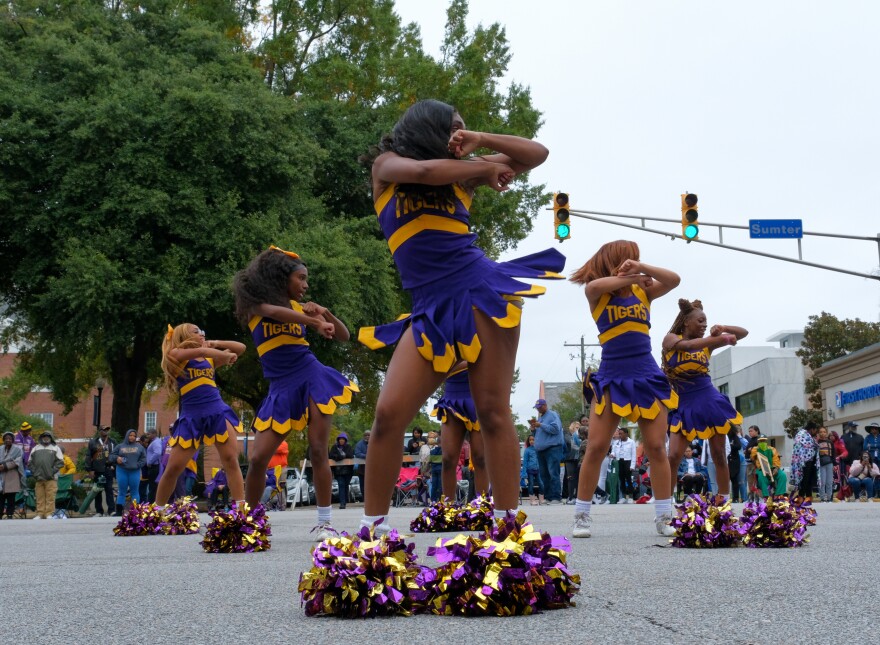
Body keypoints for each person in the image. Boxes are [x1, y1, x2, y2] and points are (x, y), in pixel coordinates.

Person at [357, 99, 564, 533]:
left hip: (480, 292)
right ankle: (370, 533)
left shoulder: (467, 172)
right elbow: (425, 173)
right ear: (428, 129)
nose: (460, 133)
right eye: (454, 126)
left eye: (464, 127)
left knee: (492, 410)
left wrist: (482, 143)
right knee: (388, 415)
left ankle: (509, 530)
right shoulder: (387, 166)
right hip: (428, 309)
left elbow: (537, 154)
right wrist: (483, 168)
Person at [233, 246, 358, 541]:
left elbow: (344, 335)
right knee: (259, 457)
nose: (305, 285)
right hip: (280, 387)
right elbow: (273, 311)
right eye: (301, 278)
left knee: (318, 449)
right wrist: (313, 321)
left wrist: (323, 312)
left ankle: (325, 522)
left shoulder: (302, 309)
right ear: (280, 278)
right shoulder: (254, 306)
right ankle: (249, 521)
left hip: (311, 376)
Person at [569, 240, 680, 538]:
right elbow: (595, 286)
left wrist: (642, 269)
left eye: (637, 258)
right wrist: (632, 275)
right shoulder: (596, 291)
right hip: (611, 377)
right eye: (630, 257)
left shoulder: (643, 291)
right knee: (596, 447)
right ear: (615, 259)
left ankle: (664, 516)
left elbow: (674, 280)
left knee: (657, 446)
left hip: (646, 376)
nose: (634, 262)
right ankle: (581, 515)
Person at [662, 298, 747, 503]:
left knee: (718, 454)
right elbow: (689, 346)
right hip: (683, 403)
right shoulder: (671, 338)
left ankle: (723, 499)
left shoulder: (706, 345)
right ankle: (667, 501)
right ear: (686, 322)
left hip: (708, 399)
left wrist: (724, 328)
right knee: (673, 456)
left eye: (706, 323)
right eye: (700, 321)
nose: (704, 326)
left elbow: (743, 333)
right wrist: (718, 339)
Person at [154, 323, 246, 513]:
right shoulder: (176, 356)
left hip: (218, 412)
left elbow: (241, 348)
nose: (202, 334)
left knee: (230, 459)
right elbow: (182, 353)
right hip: (191, 418)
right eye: (197, 332)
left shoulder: (208, 358)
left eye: (203, 332)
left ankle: (241, 509)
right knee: (173, 467)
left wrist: (216, 343)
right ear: (184, 336)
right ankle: (157, 510)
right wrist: (221, 354)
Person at [434, 364, 487, 501]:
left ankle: (483, 507)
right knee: (448, 458)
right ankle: (447, 509)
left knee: (480, 458)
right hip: (452, 396)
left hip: (479, 393)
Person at [529, 399, 564, 504]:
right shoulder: (541, 418)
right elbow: (540, 435)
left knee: (553, 473)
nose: (538, 409)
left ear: (545, 405)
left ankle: (556, 497)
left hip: (552, 449)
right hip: (541, 450)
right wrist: (534, 429)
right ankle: (548, 497)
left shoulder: (552, 415)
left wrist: (541, 425)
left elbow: (556, 429)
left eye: (540, 407)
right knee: (544, 475)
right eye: (537, 407)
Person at [109, 430, 146, 513]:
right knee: (122, 491)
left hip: (135, 471)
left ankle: (136, 511)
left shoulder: (140, 447)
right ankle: (119, 511)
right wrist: (116, 458)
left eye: (134, 435)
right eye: (130, 435)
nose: (132, 437)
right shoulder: (120, 446)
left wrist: (138, 465)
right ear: (127, 436)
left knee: (135, 491)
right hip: (122, 471)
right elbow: (111, 456)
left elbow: (144, 458)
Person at [29, 430, 63, 520]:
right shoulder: (36, 448)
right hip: (39, 478)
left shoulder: (55, 448)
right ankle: (40, 514)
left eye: (48, 436)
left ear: (51, 438)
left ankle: (49, 514)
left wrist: (52, 471)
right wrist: (34, 472)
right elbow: (29, 462)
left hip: (51, 478)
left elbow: (60, 462)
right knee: (39, 497)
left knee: (50, 496)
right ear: (41, 438)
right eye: (44, 436)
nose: (46, 438)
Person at [86, 426, 116, 517]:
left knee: (109, 490)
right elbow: (88, 456)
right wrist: (90, 470)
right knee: (97, 491)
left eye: (107, 429)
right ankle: (99, 511)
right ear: (99, 431)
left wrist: (114, 466)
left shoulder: (112, 442)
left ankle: (111, 510)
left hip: (108, 470)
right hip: (97, 470)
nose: (105, 431)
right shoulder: (93, 442)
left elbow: (116, 454)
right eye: (103, 429)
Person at [790, 422, 820, 501]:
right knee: (804, 479)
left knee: (809, 479)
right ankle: (801, 496)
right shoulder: (802, 434)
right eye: (815, 430)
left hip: (810, 460)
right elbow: (799, 447)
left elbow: (812, 446)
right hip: (804, 461)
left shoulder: (809, 436)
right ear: (812, 429)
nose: (815, 432)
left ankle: (808, 497)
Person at [0, 431, 26, 519]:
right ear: (3, 440)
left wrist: (6, 466)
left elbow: (18, 461)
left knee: (11, 497)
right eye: (6, 439)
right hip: (1, 477)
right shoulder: (0, 449)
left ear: (13, 440)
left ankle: (10, 514)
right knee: (1, 498)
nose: (8, 440)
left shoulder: (18, 450)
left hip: (12, 476)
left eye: (10, 439)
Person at [329, 433, 354, 509]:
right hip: (338, 471)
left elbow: (351, 455)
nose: (341, 441)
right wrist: (340, 456)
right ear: (338, 440)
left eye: (343, 439)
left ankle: (345, 501)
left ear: (345, 440)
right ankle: (342, 503)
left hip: (348, 471)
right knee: (341, 485)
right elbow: (331, 456)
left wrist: (342, 456)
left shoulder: (348, 447)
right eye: (340, 439)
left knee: (346, 486)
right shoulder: (334, 447)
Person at [563, 420, 582, 504]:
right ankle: (570, 497)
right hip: (569, 459)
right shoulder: (567, 434)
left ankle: (577, 496)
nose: (578, 429)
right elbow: (569, 443)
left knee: (579, 478)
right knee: (570, 478)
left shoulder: (581, 436)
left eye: (579, 428)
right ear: (572, 427)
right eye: (576, 427)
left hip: (579, 459)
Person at [816, 427, 837, 502]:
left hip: (829, 463)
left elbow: (833, 453)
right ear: (818, 433)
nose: (822, 433)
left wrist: (834, 463)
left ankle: (829, 497)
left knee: (829, 482)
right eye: (821, 432)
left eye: (824, 432)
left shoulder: (830, 442)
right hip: (821, 464)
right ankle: (822, 497)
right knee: (822, 482)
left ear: (826, 433)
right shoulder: (817, 442)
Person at [522, 434, 542, 505]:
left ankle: (541, 500)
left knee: (541, 484)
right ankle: (532, 500)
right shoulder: (527, 450)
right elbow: (525, 462)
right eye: (530, 440)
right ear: (528, 441)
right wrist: (524, 473)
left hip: (538, 469)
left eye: (533, 440)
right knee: (531, 484)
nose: (532, 441)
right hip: (530, 469)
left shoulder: (538, 449)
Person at [744, 425, 760, 501]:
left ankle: (757, 497)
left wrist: (752, 449)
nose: (750, 432)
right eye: (749, 431)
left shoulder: (758, 440)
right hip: (748, 463)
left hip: (754, 464)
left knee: (755, 481)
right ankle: (751, 497)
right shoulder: (751, 440)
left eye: (752, 431)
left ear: (756, 431)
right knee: (750, 481)